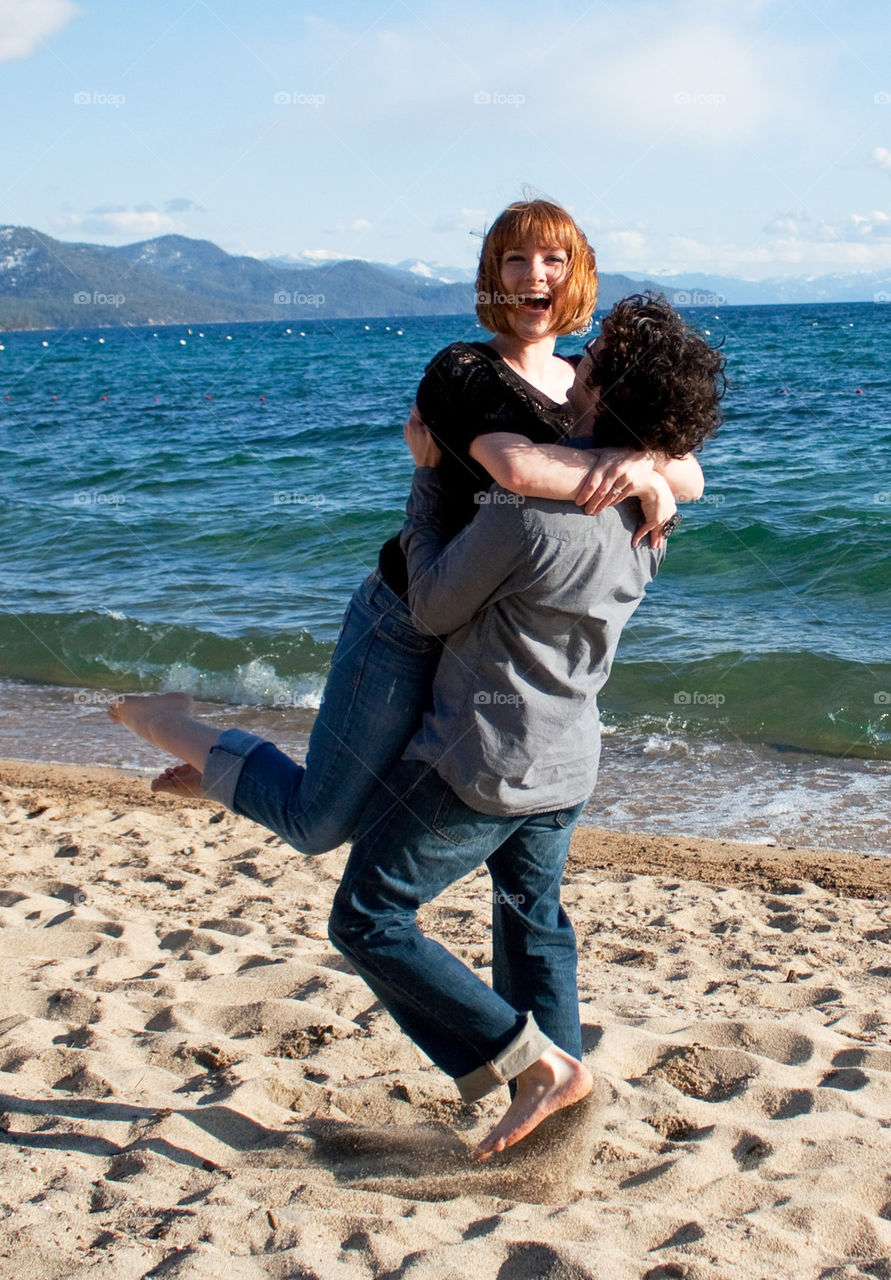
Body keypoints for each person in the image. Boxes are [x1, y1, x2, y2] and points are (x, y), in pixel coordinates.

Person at [109, 201, 703, 853]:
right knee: (319, 825)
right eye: (514, 259)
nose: (535, 274)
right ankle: (167, 722)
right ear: (491, 275)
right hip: (404, 617)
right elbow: (517, 470)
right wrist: (640, 472)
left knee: (410, 805)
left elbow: (693, 479)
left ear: (579, 273)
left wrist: (643, 463)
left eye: (554, 259)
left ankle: (244, 783)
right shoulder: (462, 370)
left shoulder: (580, 380)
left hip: (480, 637)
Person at [327, 293, 727, 1159]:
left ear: (600, 395)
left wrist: (430, 476)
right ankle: (554, 1112)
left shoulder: (526, 516)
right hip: (568, 760)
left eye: (592, 362)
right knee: (532, 916)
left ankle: (532, 1064)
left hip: (482, 760)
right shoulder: (651, 516)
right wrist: (654, 466)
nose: (573, 367)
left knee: (368, 919)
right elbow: (673, 474)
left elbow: (430, 607)